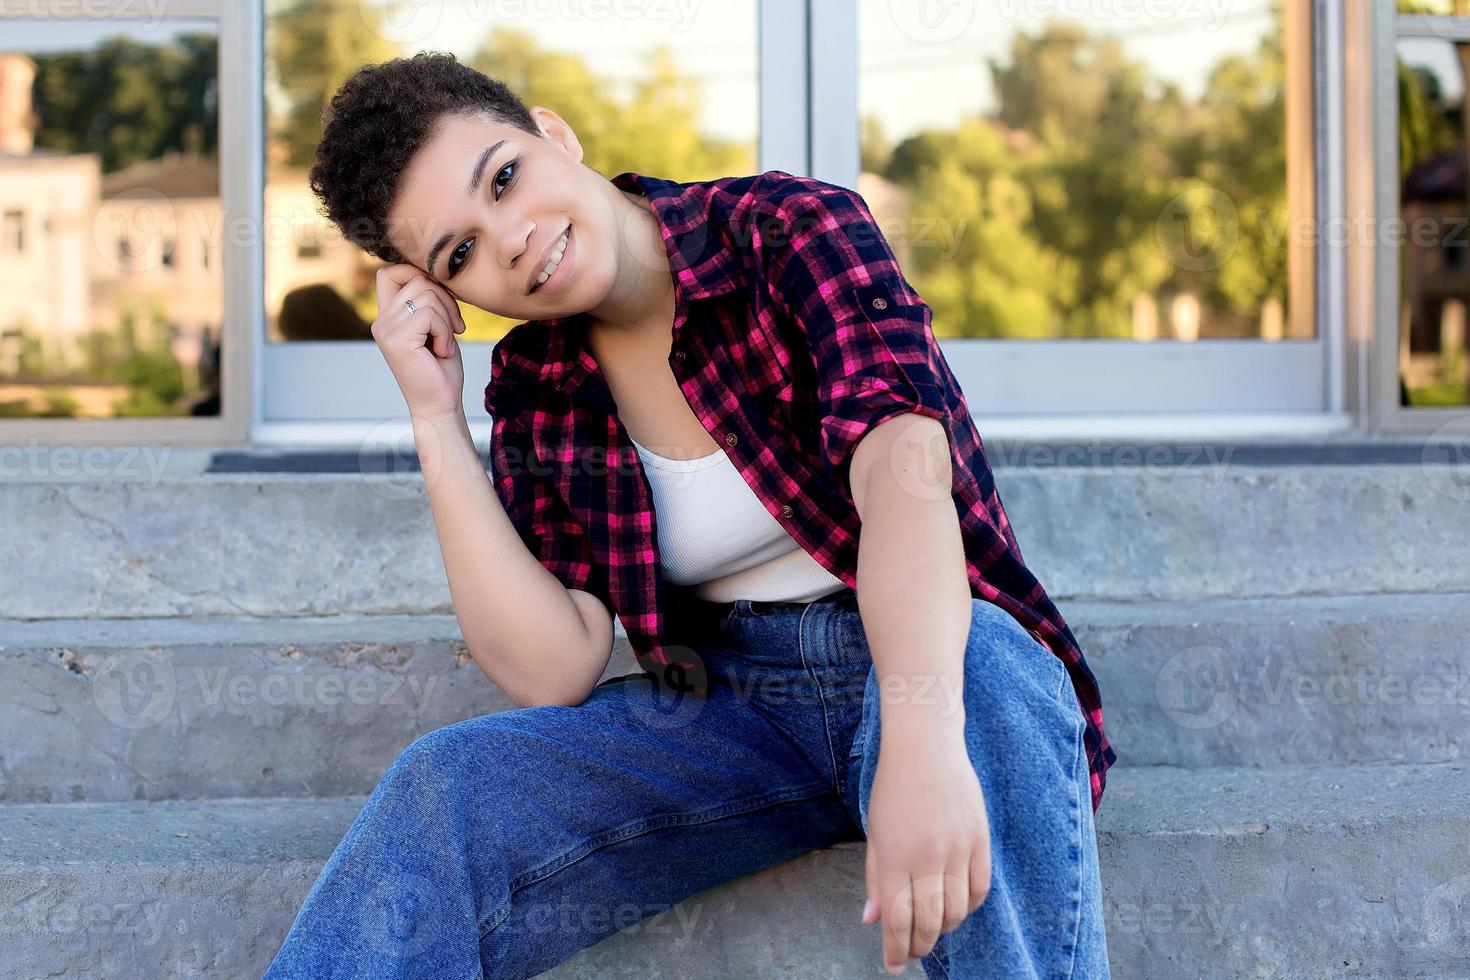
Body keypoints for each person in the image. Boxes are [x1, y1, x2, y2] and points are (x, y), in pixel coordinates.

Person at [264, 51, 1116, 979]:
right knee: (443, 788)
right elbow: (554, 666)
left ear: (555, 133)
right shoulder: (537, 383)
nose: (507, 241)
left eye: (505, 178)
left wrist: (921, 737)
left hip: (931, 663)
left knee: (986, 666)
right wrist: (435, 416)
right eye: (459, 253)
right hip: (734, 711)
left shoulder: (787, 229)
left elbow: (906, 484)